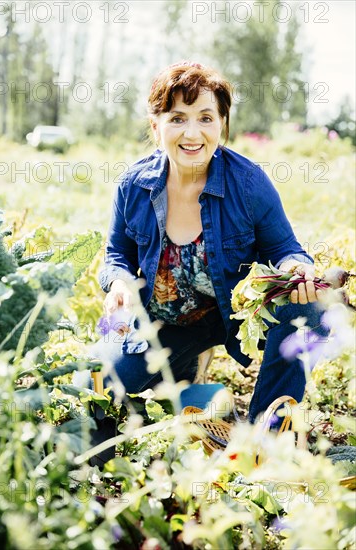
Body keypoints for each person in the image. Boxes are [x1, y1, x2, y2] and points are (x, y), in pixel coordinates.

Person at [97, 60, 329, 423]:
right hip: (166, 324)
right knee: (98, 387)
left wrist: (296, 269)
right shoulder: (133, 186)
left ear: (222, 123)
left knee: (310, 309)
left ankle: (266, 433)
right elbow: (116, 254)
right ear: (156, 126)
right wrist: (119, 283)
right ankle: (188, 371)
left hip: (237, 316)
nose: (192, 133)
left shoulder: (249, 183)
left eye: (205, 118)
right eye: (177, 118)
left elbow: (285, 249)